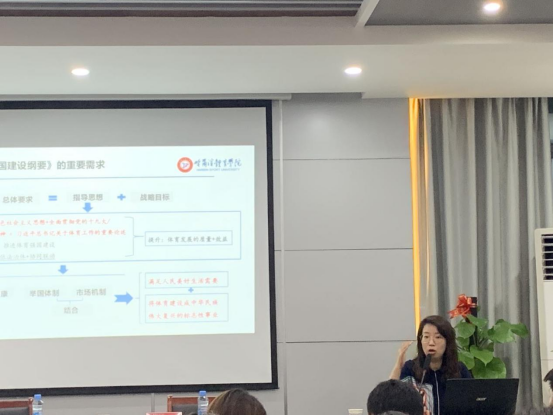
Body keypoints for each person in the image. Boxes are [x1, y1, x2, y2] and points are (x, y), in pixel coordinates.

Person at [390, 315, 472, 415]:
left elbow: (472, 403)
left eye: (438, 337)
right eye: (426, 337)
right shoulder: (410, 369)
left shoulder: (459, 370)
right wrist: (398, 367)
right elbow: (390, 400)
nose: (431, 343)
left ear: (447, 341)